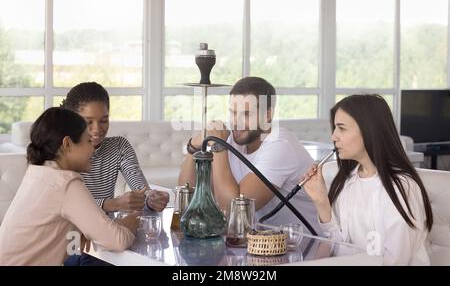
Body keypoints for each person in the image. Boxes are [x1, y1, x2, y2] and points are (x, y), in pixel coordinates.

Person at [178, 77, 321, 234]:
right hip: (256, 243)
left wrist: (218, 146)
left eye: (246, 114)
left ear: (267, 115)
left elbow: (234, 211)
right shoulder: (233, 138)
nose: (236, 122)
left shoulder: (280, 144)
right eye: (233, 113)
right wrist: (193, 147)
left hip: (304, 247)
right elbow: (188, 194)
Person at [302, 94, 433, 265]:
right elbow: (338, 247)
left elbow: (394, 261)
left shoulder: (401, 188)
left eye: (341, 128)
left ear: (368, 130)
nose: (334, 136)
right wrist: (322, 203)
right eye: (334, 128)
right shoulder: (348, 181)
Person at [0, 107, 139, 265]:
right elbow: (117, 240)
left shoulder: (38, 173)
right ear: (67, 144)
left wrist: (82, 229)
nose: (93, 148)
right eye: (87, 141)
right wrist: (132, 221)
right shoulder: (65, 183)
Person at [60, 82, 169, 265]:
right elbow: (65, 206)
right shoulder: (64, 151)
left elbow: (140, 187)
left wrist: (151, 197)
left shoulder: (119, 146)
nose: (97, 129)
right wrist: (112, 204)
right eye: (89, 122)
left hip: (111, 238)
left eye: (104, 120)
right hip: (75, 243)